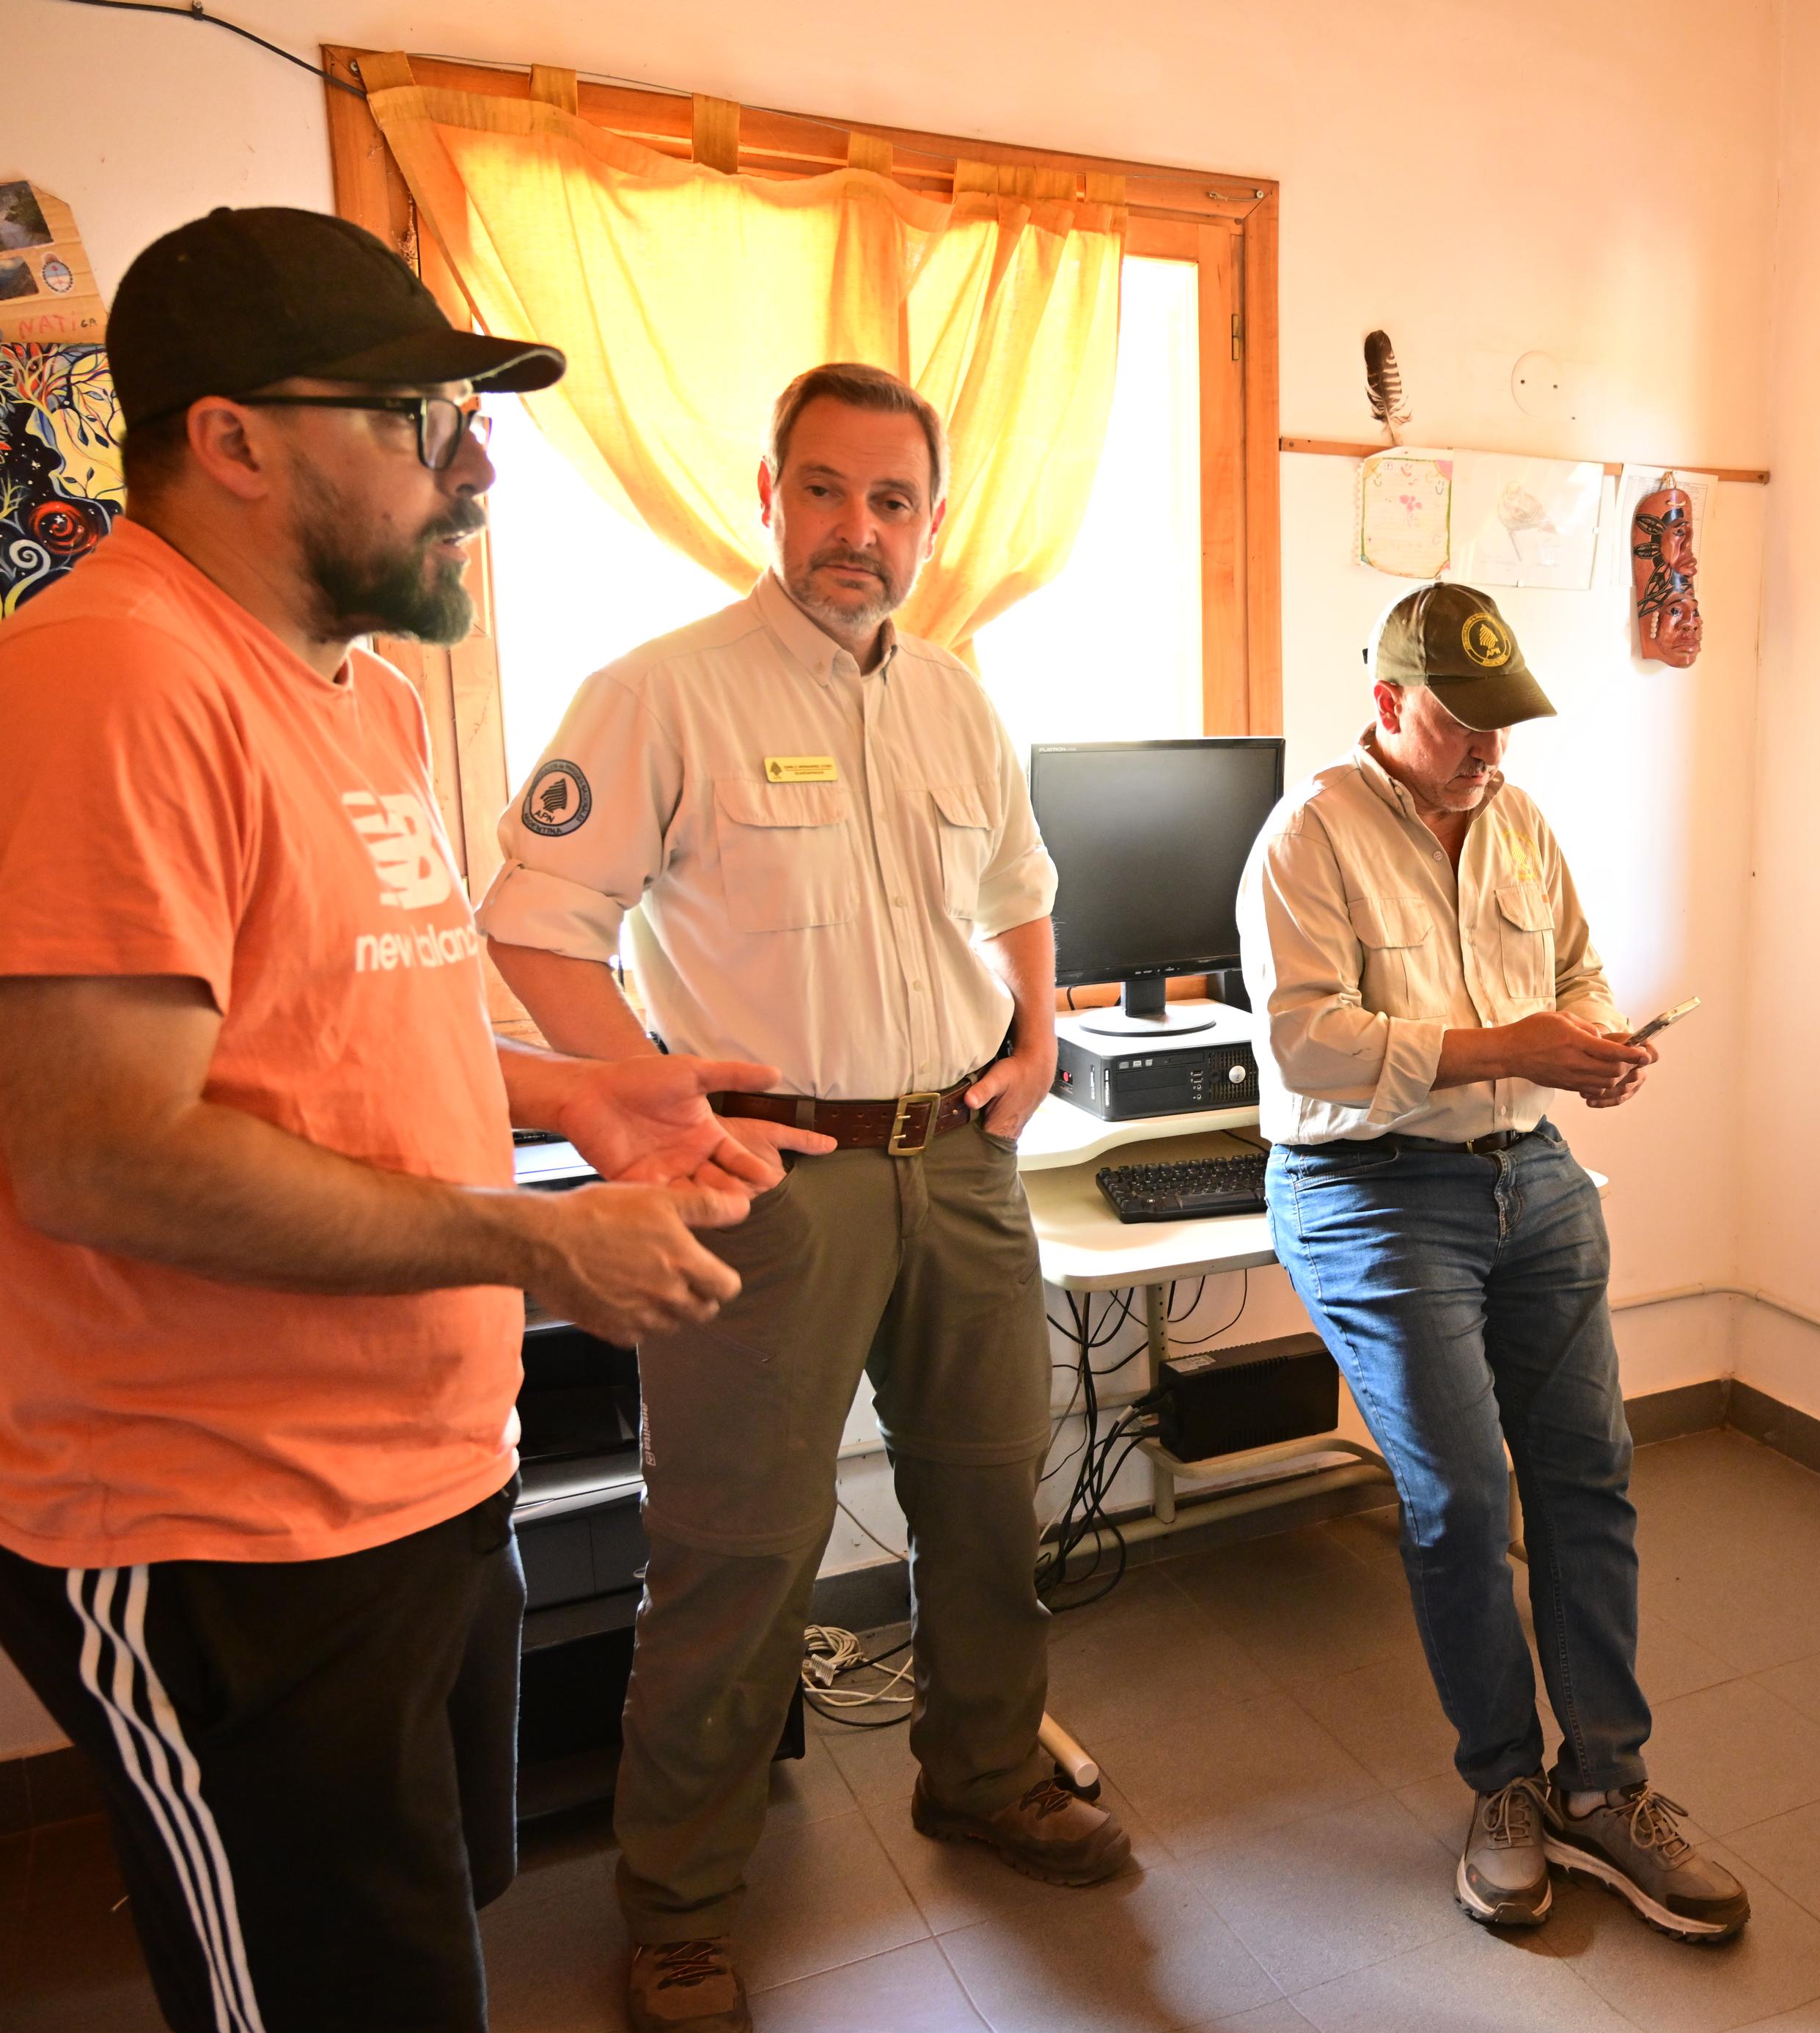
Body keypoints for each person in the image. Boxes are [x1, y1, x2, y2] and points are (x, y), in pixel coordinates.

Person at [0, 207, 803, 2033]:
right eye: (416, 418)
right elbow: (105, 1150)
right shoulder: (109, 685)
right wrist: (540, 1239)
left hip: (411, 1482)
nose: (475, 462)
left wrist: (577, 1095)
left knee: (411, 1952)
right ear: (231, 438)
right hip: (206, 1524)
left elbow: (342, 1024)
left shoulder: (366, 693)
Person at [477, 361, 1123, 2033]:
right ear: (768, 497)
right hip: (771, 1172)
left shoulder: (959, 701)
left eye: (892, 499)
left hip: (963, 1161)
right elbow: (537, 922)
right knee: (735, 1552)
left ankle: (982, 1774)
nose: (859, 528)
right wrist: (648, 1125)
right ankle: (680, 1901)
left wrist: (1038, 1038)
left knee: (989, 1497)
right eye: (825, 490)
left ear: (928, 520)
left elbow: (1021, 886)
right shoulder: (659, 693)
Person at [1239, 583, 1750, 1942]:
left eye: (1506, 724)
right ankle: (1504, 1783)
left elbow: (1574, 969)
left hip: (1532, 1177)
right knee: (1463, 1496)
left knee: (1589, 1474)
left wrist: (1589, 1044)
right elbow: (1307, 1045)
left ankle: (1609, 1786)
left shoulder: (1519, 820)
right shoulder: (1308, 837)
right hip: (1372, 1190)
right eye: (1464, 725)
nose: (1490, 751)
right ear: (1390, 704)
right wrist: (1510, 1047)